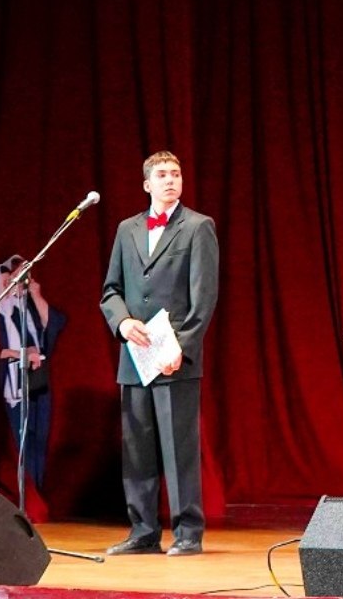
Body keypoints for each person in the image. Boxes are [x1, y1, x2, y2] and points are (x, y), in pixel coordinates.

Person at [100, 151, 220, 557]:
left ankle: (188, 533)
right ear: (147, 184)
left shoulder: (198, 227)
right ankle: (143, 531)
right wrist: (121, 322)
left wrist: (182, 348)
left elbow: (203, 297)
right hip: (135, 355)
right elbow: (111, 291)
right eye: (162, 175)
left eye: (176, 174)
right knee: (137, 448)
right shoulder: (127, 229)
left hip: (173, 356)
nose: (170, 180)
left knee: (178, 446)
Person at [0, 254, 66, 491]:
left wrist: (35, 294)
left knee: (38, 441)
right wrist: (20, 354)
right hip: (10, 389)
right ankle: (22, 495)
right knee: (17, 445)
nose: (14, 285)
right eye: (9, 279)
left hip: (35, 384)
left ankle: (36, 494)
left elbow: (54, 323)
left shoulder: (25, 308)